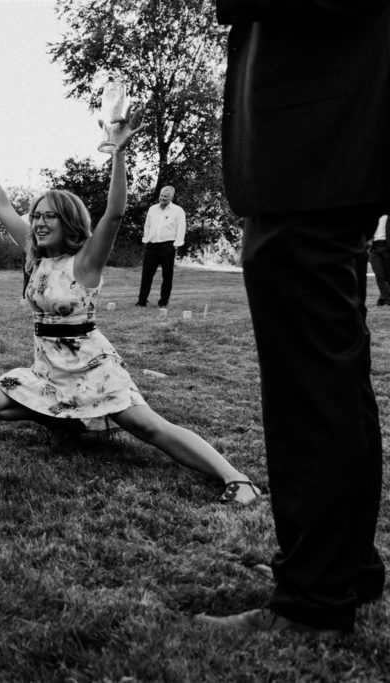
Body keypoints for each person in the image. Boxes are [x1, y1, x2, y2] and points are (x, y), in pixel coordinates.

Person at [0, 110, 260, 506]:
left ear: (69, 223)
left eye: (49, 217)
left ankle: (236, 478)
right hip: (48, 369)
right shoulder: (35, 256)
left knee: (148, 427)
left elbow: (114, 213)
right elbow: (1, 207)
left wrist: (118, 154)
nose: (39, 223)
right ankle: (69, 419)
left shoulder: (85, 262)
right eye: (37, 216)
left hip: (93, 367)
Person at [196, 1, 390, 636]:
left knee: (308, 382)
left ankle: (315, 596)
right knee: (334, 368)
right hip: (326, 140)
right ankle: (342, 568)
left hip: (313, 141)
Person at [135, 186, 186, 308]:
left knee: (167, 275)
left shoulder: (178, 211)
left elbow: (181, 228)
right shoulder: (152, 209)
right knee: (146, 274)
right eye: (161, 195)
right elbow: (147, 225)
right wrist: (146, 239)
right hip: (151, 245)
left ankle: (163, 301)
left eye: (165, 196)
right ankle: (142, 300)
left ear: (171, 197)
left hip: (167, 246)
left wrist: (177, 244)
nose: (162, 198)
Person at [370, 215, 390, 306]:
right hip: (374, 248)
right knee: (379, 275)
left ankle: (382, 298)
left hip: (386, 247)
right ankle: (387, 299)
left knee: (387, 275)